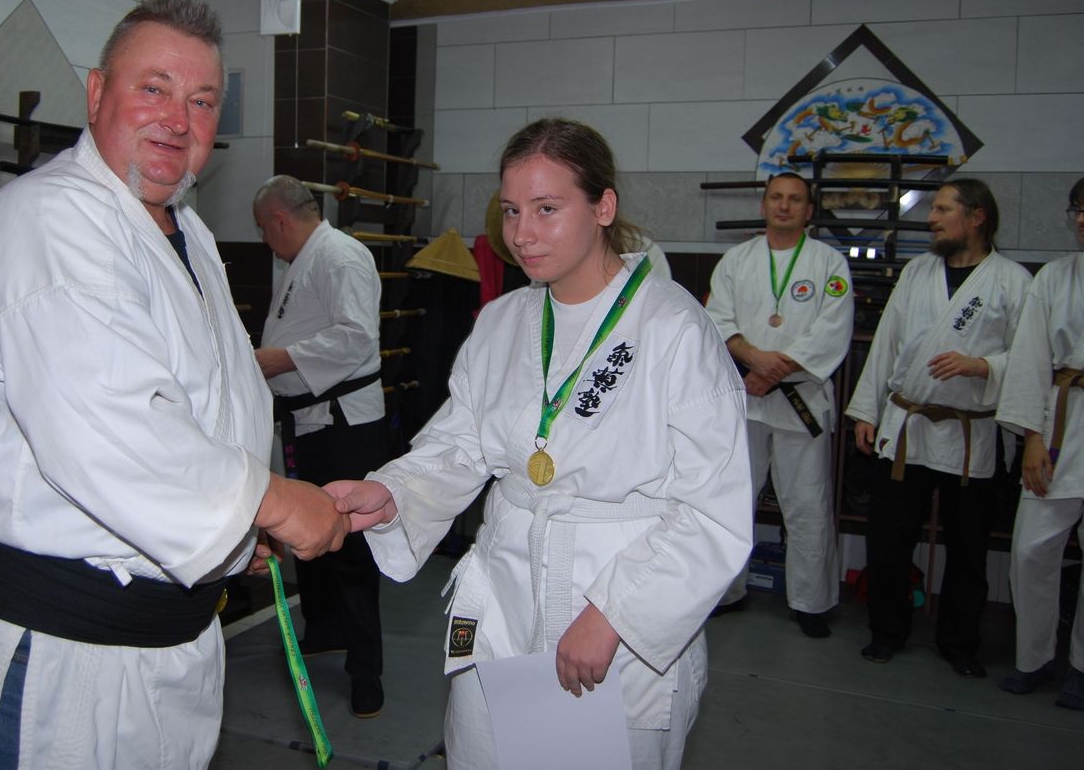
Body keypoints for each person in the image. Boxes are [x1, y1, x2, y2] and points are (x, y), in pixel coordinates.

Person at [0, 0, 347, 769]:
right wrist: (271, 501)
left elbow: (208, 399)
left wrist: (235, 530)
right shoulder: (50, 223)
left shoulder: (183, 229)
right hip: (55, 656)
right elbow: (113, 430)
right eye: (154, 88)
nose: (177, 120)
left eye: (202, 101)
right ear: (97, 93)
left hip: (165, 643)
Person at [325, 118, 754, 769]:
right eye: (511, 210)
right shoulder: (504, 321)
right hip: (505, 594)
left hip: (612, 606)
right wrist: (392, 491)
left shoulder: (674, 328)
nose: (521, 233)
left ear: (603, 207)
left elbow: (713, 509)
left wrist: (615, 614)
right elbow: (460, 442)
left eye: (547, 209)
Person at [845, 178, 1031, 677]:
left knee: (969, 547)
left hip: (971, 434)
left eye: (944, 209)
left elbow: (1031, 356)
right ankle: (886, 631)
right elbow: (887, 341)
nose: (932, 219)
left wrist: (983, 365)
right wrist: (867, 411)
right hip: (908, 424)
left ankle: (960, 642)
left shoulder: (1012, 281)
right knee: (888, 538)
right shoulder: (917, 272)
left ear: (977, 216)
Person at [253, 175, 388, 717]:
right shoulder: (308, 257)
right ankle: (325, 629)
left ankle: (366, 669)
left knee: (350, 543)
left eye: (264, 230)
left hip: (343, 422)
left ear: (279, 220)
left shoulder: (340, 256)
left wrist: (277, 360)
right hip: (309, 419)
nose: (266, 241)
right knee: (302, 528)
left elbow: (356, 337)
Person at [705, 172, 853, 638]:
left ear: (809, 210)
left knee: (807, 503)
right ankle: (727, 591)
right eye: (776, 197)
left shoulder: (829, 263)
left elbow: (831, 331)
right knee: (732, 501)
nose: (784, 206)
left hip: (800, 400)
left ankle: (812, 602)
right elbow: (717, 320)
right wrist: (754, 359)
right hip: (745, 399)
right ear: (764, 205)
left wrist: (772, 371)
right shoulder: (737, 260)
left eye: (794, 199)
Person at [995, 179, 1084, 709]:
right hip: (1061, 422)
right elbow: (1029, 361)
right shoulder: (1056, 277)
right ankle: (1033, 658)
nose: (1082, 220)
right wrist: (1032, 437)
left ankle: (1082, 667)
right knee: (1031, 551)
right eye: (1078, 210)